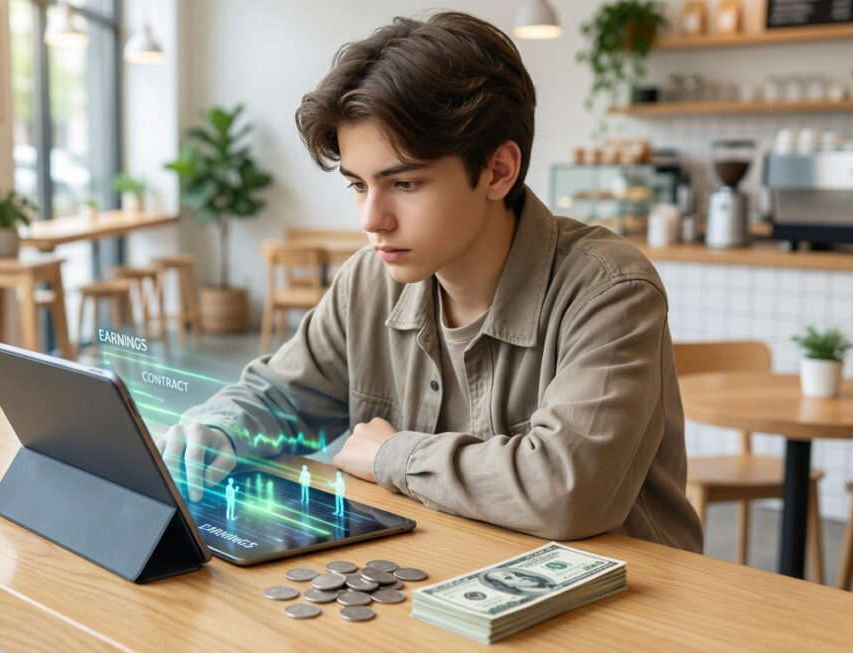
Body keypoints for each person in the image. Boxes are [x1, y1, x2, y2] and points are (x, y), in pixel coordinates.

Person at [157, 10, 702, 552]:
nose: (372, 219)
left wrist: (392, 455)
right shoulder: (369, 280)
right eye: (357, 185)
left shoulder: (610, 290)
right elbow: (278, 396)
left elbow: (566, 489)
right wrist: (217, 428)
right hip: (436, 579)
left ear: (498, 170)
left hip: (613, 607)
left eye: (406, 183)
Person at [479, 567, 555, 599]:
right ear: (505, 585)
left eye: (518, 574)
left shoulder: (550, 585)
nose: (520, 578)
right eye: (508, 578)